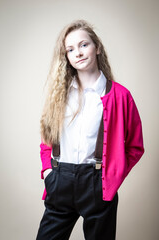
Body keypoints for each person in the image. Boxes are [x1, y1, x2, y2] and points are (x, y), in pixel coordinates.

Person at [36, 19, 144, 240]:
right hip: (60, 180)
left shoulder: (120, 96)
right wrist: (48, 173)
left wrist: (113, 176)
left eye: (84, 45)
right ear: (66, 56)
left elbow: (135, 146)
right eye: (70, 49)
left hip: (98, 184)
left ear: (98, 47)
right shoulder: (60, 95)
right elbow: (47, 140)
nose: (78, 52)